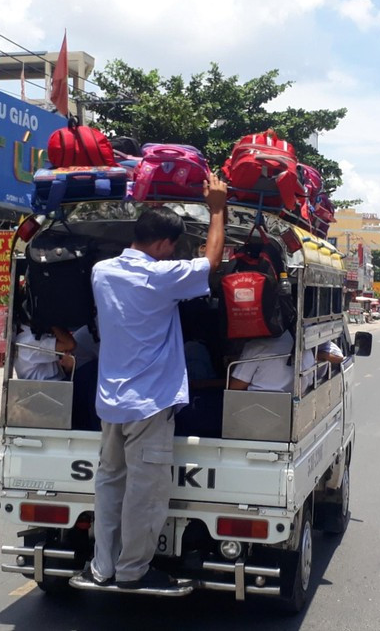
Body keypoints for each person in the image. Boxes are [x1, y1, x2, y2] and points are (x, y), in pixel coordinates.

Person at [77, 174, 227, 590]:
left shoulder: (102, 272)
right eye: (172, 248)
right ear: (163, 245)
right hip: (149, 404)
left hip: (111, 402)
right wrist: (217, 208)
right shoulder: (159, 279)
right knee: (144, 493)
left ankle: (101, 567)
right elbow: (211, 264)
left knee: (109, 485)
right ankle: (131, 572)